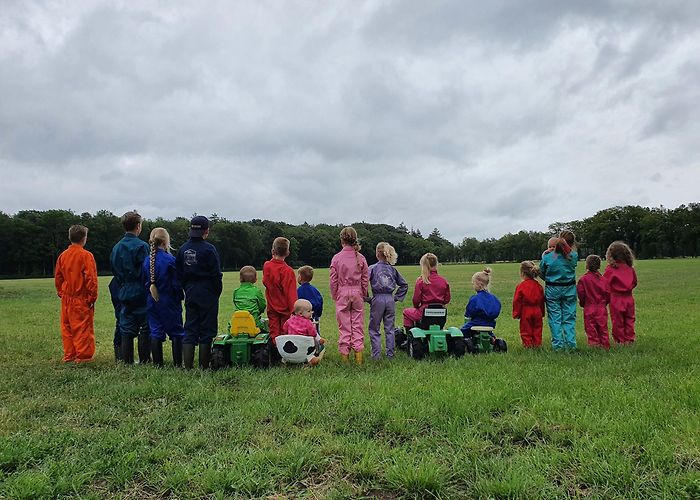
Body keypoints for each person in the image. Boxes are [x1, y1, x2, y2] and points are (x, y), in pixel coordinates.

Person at [175, 216, 222, 369]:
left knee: (190, 327)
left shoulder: (182, 249)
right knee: (207, 329)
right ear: (206, 231)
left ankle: (187, 366)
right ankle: (204, 366)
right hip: (208, 291)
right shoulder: (209, 249)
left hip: (190, 291)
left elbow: (179, 273)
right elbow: (216, 274)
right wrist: (216, 291)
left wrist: (187, 288)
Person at [110, 211, 151, 364]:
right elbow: (147, 269)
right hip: (140, 288)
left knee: (126, 326)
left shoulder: (117, 247)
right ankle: (145, 360)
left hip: (123, 288)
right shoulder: (142, 246)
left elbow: (114, 269)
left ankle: (126, 361)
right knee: (145, 326)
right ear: (138, 226)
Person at [54, 224, 98, 363]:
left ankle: (70, 355)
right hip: (81, 297)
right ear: (84, 238)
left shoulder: (63, 256)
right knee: (82, 328)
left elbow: (58, 277)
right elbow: (90, 278)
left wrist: (61, 292)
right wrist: (91, 297)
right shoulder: (86, 255)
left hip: (67, 297)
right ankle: (83, 357)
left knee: (67, 329)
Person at [143, 227, 185, 367]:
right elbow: (176, 283)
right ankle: (178, 363)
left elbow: (144, 281)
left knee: (155, 331)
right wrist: (179, 297)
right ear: (166, 242)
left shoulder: (146, 261)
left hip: (152, 300)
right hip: (169, 300)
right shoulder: (171, 260)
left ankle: (158, 364)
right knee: (176, 332)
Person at [329, 227, 369, 364]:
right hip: (357, 293)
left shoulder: (336, 258)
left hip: (342, 293)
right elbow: (365, 278)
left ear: (341, 240)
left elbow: (333, 280)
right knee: (357, 324)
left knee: (344, 325)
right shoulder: (361, 257)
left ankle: (345, 358)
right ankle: (358, 358)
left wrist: (335, 295)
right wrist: (364, 293)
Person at [367, 242, 408, 359]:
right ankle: (390, 354)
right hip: (390, 299)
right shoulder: (392, 269)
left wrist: (367, 298)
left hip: (377, 298)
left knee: (374, 328)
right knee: (389, 328)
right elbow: (404, 284)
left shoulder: (372, 268)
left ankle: (376, 355)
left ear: (377, 254)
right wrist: (396, 297)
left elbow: (363, 283)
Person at [540, 230, 578, 350]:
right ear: (572, 243)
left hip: (552, 290)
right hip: (570, 290)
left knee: (555, 318)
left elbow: (542, 272)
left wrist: (544, 255)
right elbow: (568, 257)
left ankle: (558, 345)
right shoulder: (574, 255)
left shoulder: (549, 256)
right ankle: (571, 344)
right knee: (569, 317)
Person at [401, 253, 451, 337]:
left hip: (424, 312)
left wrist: (416, 307)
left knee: (406, 312)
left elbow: (416, 300)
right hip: (440, 313)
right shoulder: (443, 281)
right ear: (436, 264)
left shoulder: (421, 281)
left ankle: (409, 336)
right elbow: (447, 299)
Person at [262, 237, 297, 348]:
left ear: (273, 251)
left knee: (274, 330)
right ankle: (284, 352)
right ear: (287, 252)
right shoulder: (288, 271)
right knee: (284, 330)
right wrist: (294, 310)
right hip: (285, 308)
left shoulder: (267, 266)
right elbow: (290, 293)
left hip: (272, 305)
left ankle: (274, 350)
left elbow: (266, 282)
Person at [604, 241, 638, 345]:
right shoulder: (630, 269)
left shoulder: (610, 269)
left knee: (617, 321)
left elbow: (604, 284)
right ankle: (629, 339)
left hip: (616, 299)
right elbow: (634, 282)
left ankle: (620, 340)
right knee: (629, 319)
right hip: (629, 298)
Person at [576, 255, 610, 349]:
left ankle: (594, 345)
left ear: (587, 265)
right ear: (599, 266)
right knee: (603, 328)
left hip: (589, 307)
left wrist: (583, 303)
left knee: (591, 328)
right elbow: (608, 294)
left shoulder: (583, 279)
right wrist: (604, 303)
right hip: (601, 307)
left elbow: (581, 294)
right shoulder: (604, 280)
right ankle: (605, 345)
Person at [282, 298, 326, 365]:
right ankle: (311, 359)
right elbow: (313, 333)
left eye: (311, 311)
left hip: (291, 349)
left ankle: (287, 360)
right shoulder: (308, 323)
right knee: (321, 347)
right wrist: (319, 340)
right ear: (300, 313)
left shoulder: (289, 321)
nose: (311, 313)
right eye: (309, 311)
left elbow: (284, 330)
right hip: (304, 348)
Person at [461, 268, 501, 340]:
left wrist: (468, 315)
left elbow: (469, 312)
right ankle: (492, 339)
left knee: (462, 331)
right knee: (489, 333)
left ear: (479, 284)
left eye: (473, 284)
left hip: (476, 323)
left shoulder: (475, 298)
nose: (473, 286)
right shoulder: (494, 298)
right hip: (490, 324)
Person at [512, 261, 545, 348]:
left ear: (522, 273)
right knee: (537, 329)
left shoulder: (521, 286)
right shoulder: (539, 286)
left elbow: (517, 301)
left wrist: (516, 313)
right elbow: (542, 300)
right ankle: (537, 344)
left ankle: (528, 345)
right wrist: (542, 312)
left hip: (526, 311)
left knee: (526, 329)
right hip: (537, 310)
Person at [297, 265, 323, 333]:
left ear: (301, 277)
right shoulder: (315, 290)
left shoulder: (299, 291)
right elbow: (320, 302)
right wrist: (317, 314)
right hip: (314, 317)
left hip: (301, 319)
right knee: (315, 333)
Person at [108, 277, 122, 362]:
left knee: (121, 322)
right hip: (128, 283)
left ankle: (120, 357)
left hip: (118, 283)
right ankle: (145, 357)